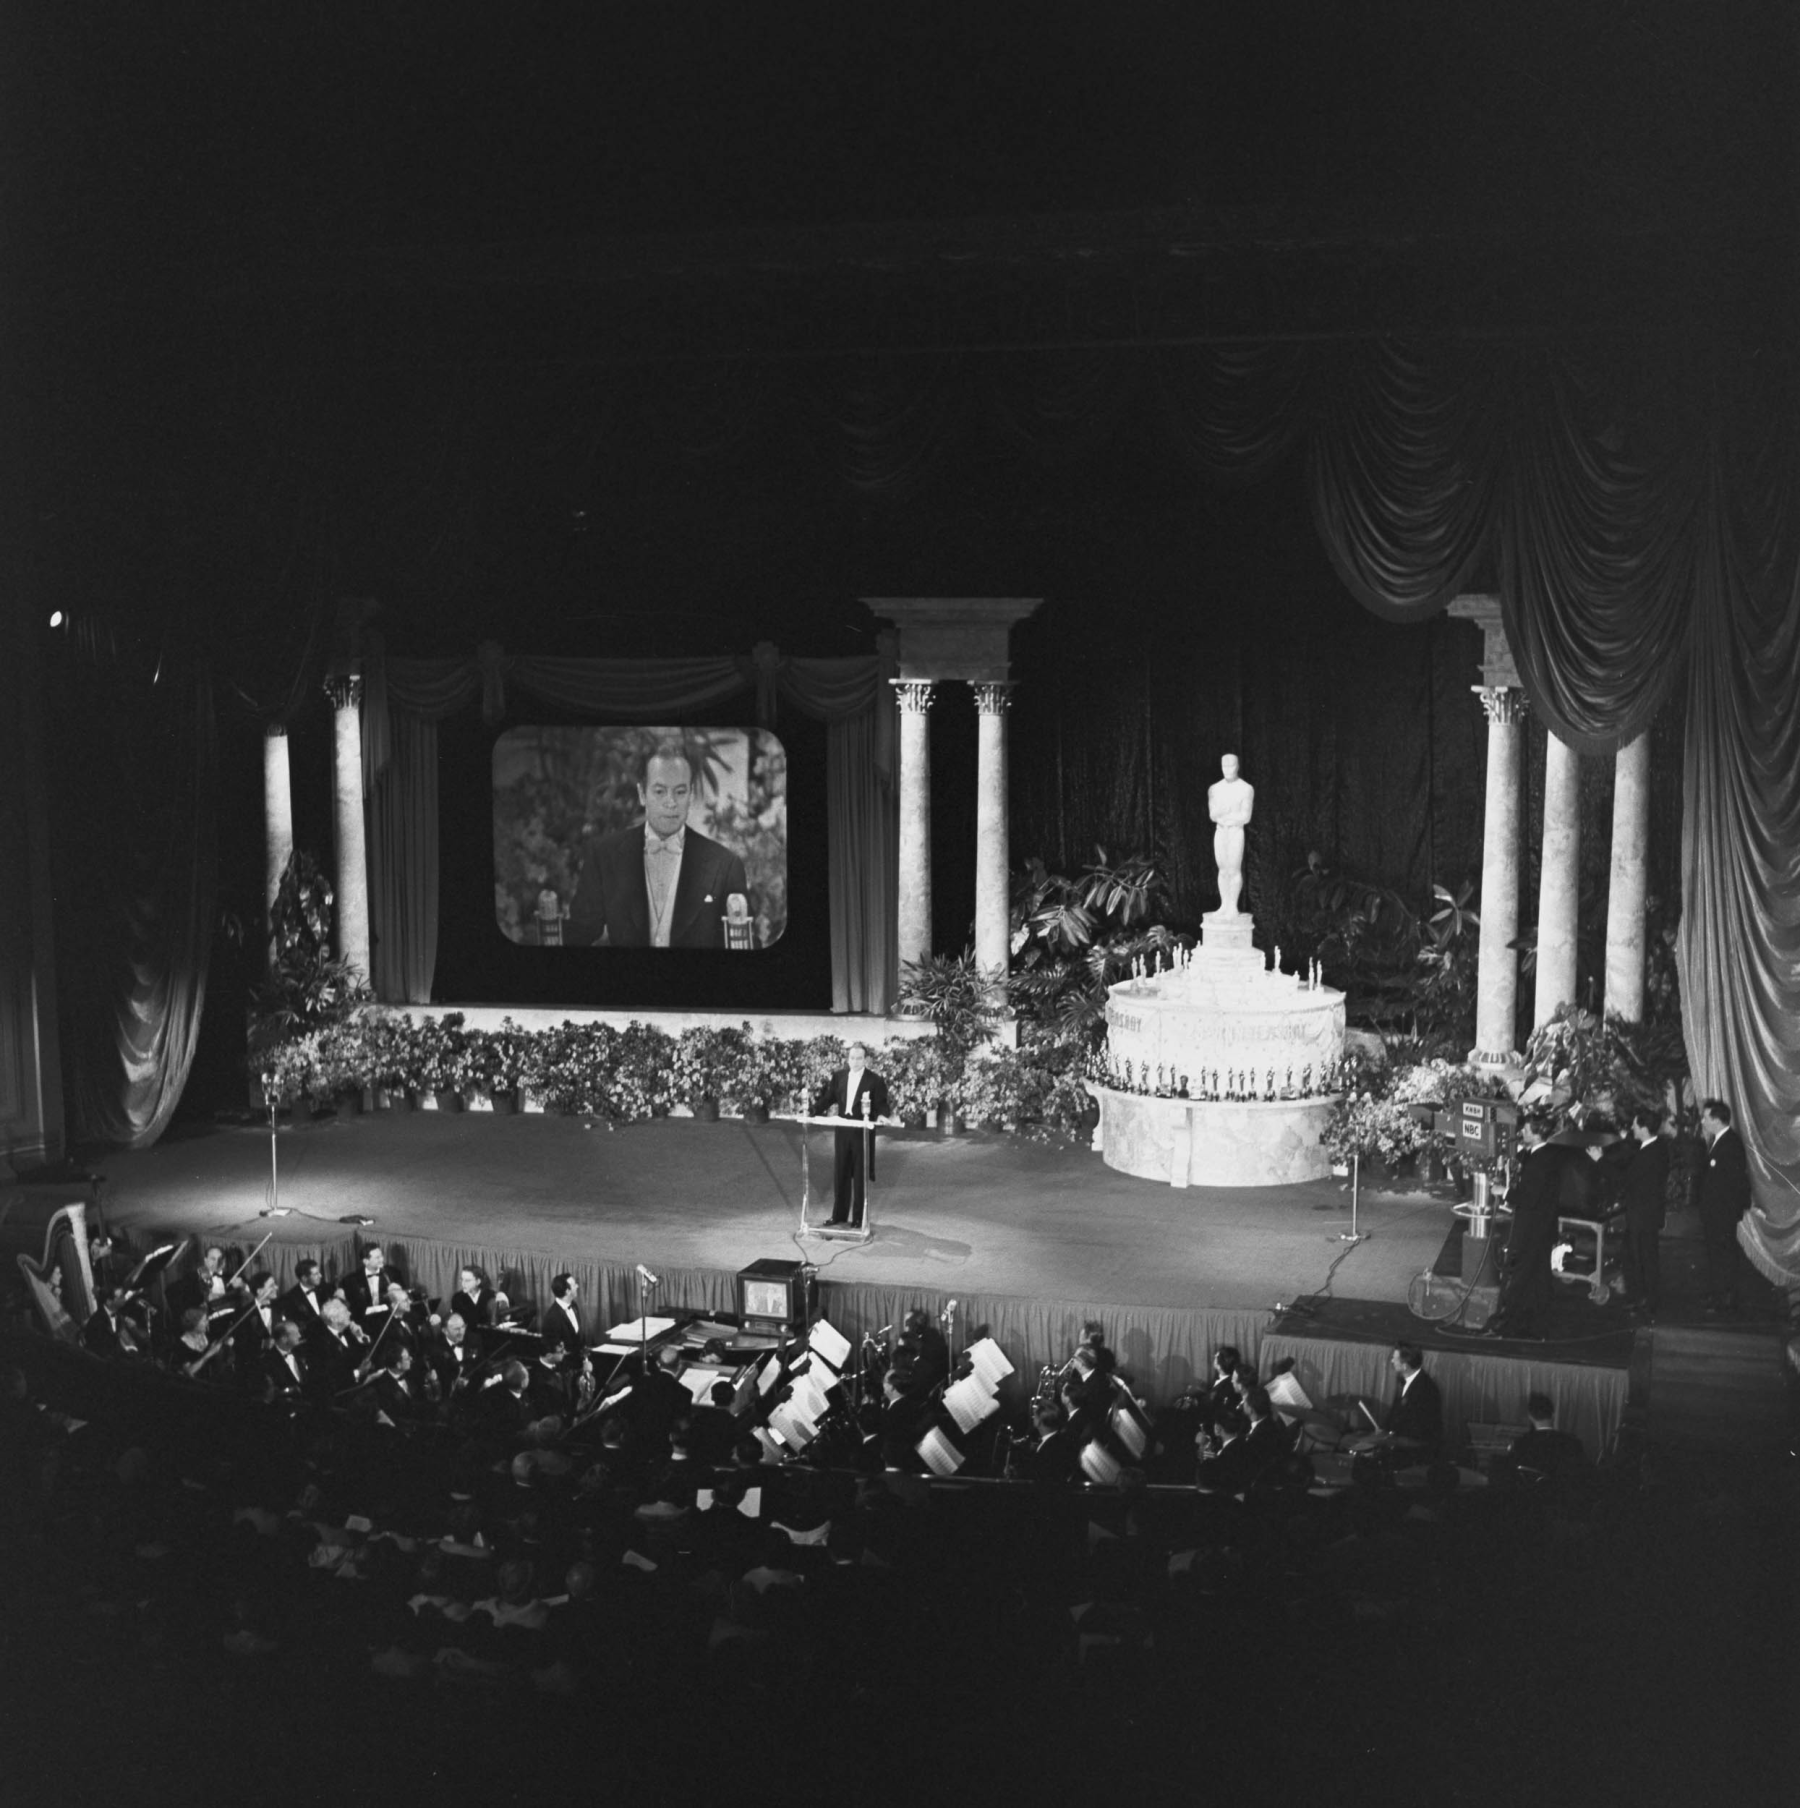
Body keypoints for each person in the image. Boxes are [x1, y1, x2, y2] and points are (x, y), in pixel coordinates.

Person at [565, 745, 750, 949]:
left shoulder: (725, 865)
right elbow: (580, 932)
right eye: (660, 791)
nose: (670, 802)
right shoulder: (603, 856)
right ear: (642, 794)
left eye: (680, 792)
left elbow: (745, 942)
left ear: (690, 796)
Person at [1487, 1114, 1587, 1340]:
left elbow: (1529, 1197)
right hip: (1543, 1228)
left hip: (1531, 1229)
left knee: (1521, 1277)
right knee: (1538, 1279)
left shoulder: (1539, 1161)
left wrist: (1503, 1192)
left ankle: (1508, 1324)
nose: (1522, 1132)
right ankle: (1536, 1327)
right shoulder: (1545, 1154)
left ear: (1536, 1132)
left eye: (1526, 1130)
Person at [811, 1042, 890, 1227]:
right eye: (852, 1058)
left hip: (861, 1133)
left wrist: (883, 1115)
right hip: (842, 1131)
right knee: (841, 1174)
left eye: (859, 1058)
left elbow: (882, 1103)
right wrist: (812, 1111)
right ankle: (838, 1216)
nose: (855, 1062)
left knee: (860, 1176)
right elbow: (828, 1098)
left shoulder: (874, 1080)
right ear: (848, 1059)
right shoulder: (838, 1076)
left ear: (865, 1060)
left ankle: (857, 1218)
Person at [1696, 1098, 1751, 1316]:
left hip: (1722, 1213)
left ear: (1718, 1120)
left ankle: (1726, 1299)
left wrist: (1725, 1212)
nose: (1702, 1121)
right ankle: (1719, 1293)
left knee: (1724, 1255)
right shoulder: (1720, 1141)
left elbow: (1734, 1183)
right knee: (1716, 1254)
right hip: (1715, 1213)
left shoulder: (1730, 1144)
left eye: (1706, 1117)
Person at [1618, 1107, 1672, 1319]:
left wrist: (1599, 1161)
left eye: (1635, 1124)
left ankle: (1646, 1302)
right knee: (1643, 1257)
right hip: (1648, 1214)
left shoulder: (1647, 1155)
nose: (1632, 1127)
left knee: (1642, 1260)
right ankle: (1643, 1299)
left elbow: (1625, 1179)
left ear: (1644, 1128)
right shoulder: (1656, 1147)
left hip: (1642, 1215)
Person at [1501, 1392, 1587, 1485]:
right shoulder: (1573, 1443)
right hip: (1563, 1497)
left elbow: (1510, 1478)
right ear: (1553, 1415)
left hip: (1530, 1497)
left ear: (1530, 1417)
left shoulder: (1520, 1444)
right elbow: (1584, 1476)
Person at [1207, 752, 1255, 917]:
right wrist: (1223, 814)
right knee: (1222, 869)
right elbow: (1213, 814)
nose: (1227, 769)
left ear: (1238, 766)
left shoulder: (1245, 789)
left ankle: (1232, 906)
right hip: (1221, 831)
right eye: (1224, 766)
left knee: (1233, 868)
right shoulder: (1215, 789)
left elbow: (1246, 816)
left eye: (1231, 765)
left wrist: (1227, 817)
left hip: (1235, 831)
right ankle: (1224, 904)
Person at [341, 1245, 397, 1330]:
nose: (381, 1259)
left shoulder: (392, 1274)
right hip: (365, 1324)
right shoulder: (352, 1280)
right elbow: (355, 1307)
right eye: (377, 1257)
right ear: (366, 1261)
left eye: (381, 1256)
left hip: (389, 1321)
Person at [541, 1273, 585, 1363]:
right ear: (567, 1291)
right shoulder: (552, 1318)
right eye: (574, 1285)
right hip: (565, 1367)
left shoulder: (574, 1305)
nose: (577, 1286)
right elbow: (555, 1352)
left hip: (579, 1361)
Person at [278, 1258, 330, 1330]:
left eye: (319, 1272)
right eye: (316, 1274)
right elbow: (297, 1326)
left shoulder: (325, 1288)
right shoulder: (290, 1298)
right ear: (304, 1278)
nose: (320, 1276)